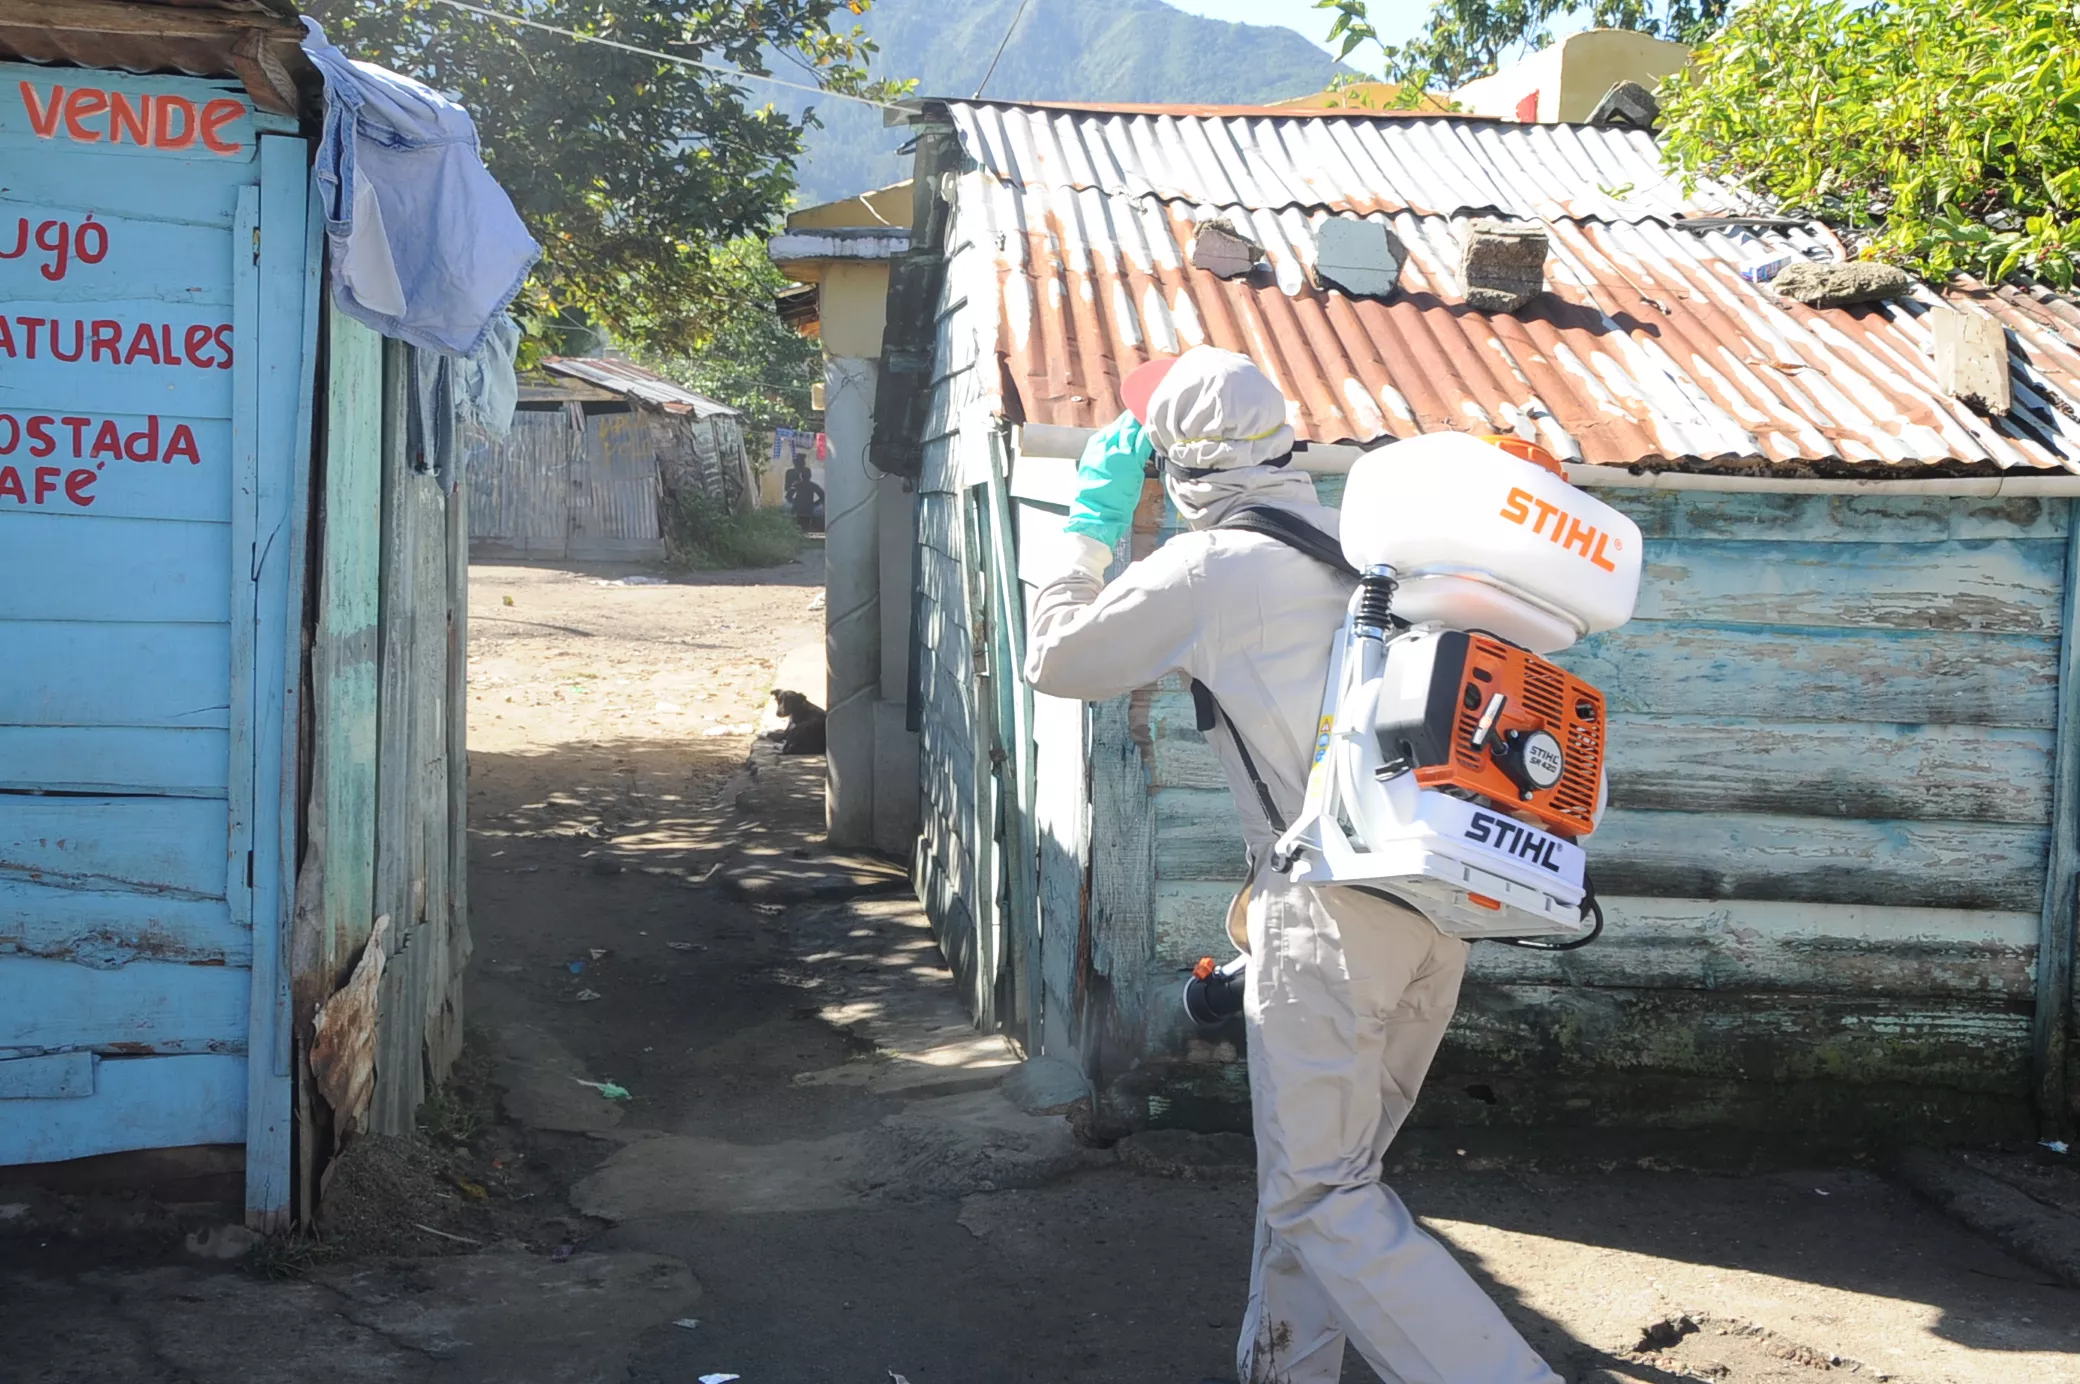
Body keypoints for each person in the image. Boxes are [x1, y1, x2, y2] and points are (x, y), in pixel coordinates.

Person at [1023, 346, 1561, 1384]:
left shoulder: (1211, 566)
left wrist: (1086, 532)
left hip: (1325, 922)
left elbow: (1061, 661)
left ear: (1176, 467)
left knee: (1322, 1197)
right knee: (1319, 1191)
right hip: (1431, 912)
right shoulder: (1364, 552)